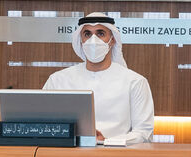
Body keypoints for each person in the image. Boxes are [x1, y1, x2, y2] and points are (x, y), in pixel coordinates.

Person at [42, 13, 154, 144]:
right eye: (87, 34)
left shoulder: (135, 82)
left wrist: (107, 141)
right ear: (81, 40)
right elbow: (42, 124)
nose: (93, 40)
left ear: (112, 40)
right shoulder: (58, 80)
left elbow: (144, 133)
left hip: (116, 153)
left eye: (100, 34)